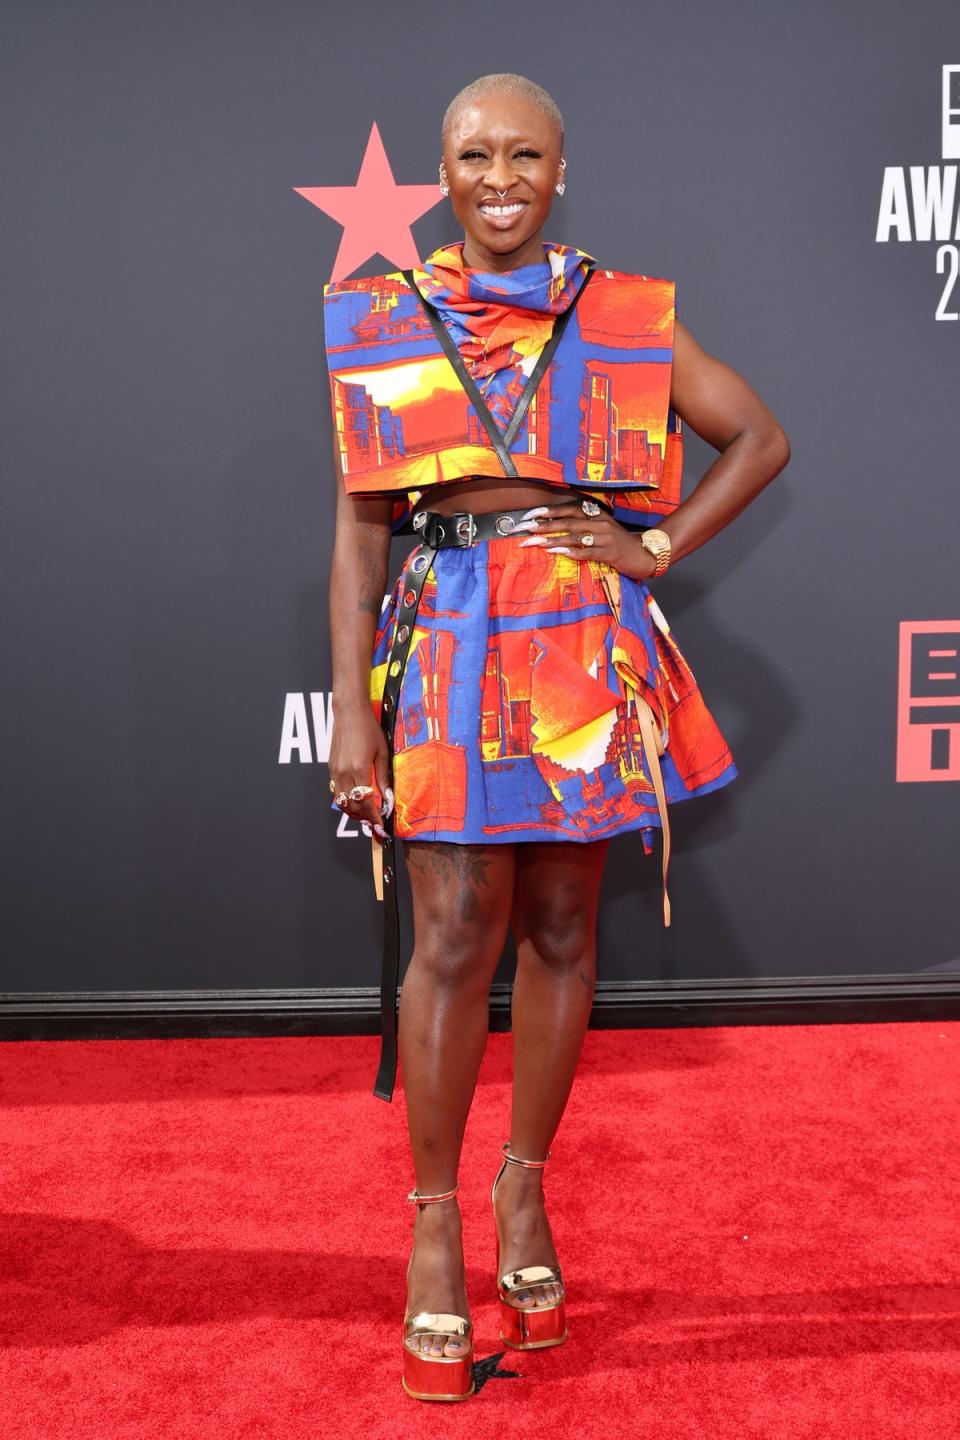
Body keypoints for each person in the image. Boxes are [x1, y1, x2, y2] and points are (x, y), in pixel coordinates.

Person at [323, 72, 790, 1402]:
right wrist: (352, 712)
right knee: (453, 936)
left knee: (567, 932)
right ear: (442, 172)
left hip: (582, 645)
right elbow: (361, 527)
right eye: (475, 156)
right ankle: (432, 1219)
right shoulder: (383, 318)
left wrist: (653, 546)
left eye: (526, 154)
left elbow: (756, 437)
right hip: (448, 640)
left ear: (562, 168)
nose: (501, 178)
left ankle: (524, 1190)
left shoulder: (628, 312)